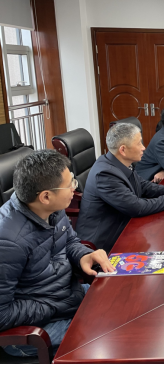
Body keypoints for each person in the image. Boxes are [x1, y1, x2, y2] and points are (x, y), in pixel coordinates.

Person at [0, 150, 115, 358]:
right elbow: (2, 314)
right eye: (70, 184)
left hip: (65, 298)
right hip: (35, 328)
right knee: (113, 334)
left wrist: (83, 255)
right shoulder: (9, 241)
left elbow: (69, 241)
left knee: (121, 301)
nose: (74, 188)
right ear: (46, 196)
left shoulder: (53, 208)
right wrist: (56, 304)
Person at [77, 123, 164, 253]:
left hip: (123, 225)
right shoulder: (105, 174)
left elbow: (142, 185)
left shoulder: (118, 162)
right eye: (139, 143)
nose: (143, 148)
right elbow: (137, 207)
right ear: (123, 150)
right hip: (103, 244)